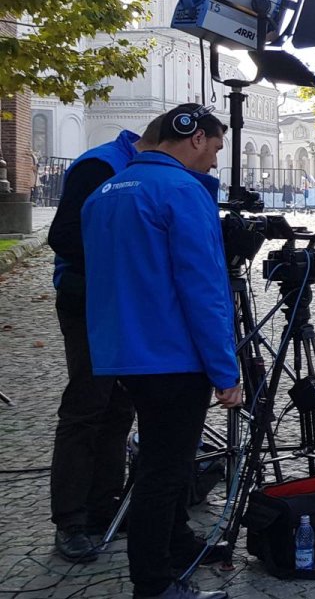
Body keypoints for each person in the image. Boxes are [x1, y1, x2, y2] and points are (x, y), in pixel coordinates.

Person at [83, 105, 241, 599]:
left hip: (123, 353)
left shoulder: (105, 192)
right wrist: (225, 370)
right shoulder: (181, 191)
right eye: (215, 148)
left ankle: (176, 546)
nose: (215, 162)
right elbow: (204, 288)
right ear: (194, 138)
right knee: (162, 471)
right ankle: (154, 584)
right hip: (172, 355)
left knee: (160, 459)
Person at [45, 119, 161, 562]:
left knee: (118, 406)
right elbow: (64, 237)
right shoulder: (101, 166)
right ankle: (71, 520)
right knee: (87, 405)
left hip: (121, 298)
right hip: (88, 300)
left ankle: (103, 506)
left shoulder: (138, 164)